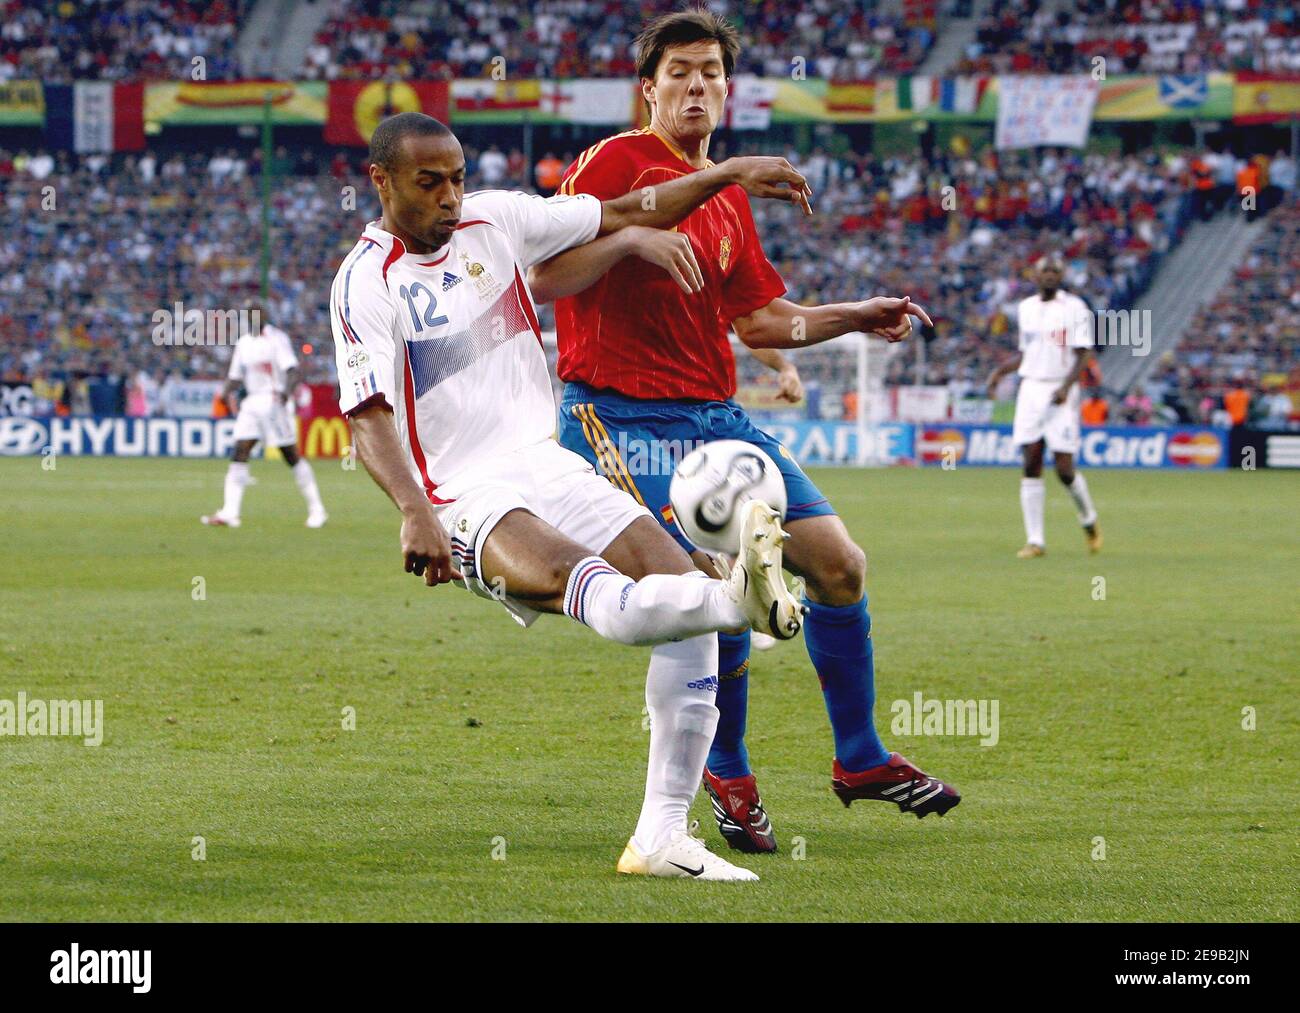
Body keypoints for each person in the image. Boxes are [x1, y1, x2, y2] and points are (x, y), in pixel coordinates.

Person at [330, 111, 814, 880]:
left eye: (456, 178)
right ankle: (743, 601)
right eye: (431, 183)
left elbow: (627, 209)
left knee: (681, 603)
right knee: (621, 608)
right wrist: (416, 511)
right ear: (381, 181)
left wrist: (723, 174)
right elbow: (368, 417)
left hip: (546, 463)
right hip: (465, 496)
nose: (451, 197)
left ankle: (661, 836)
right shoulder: (368, 281)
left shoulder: (497, 218)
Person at [529, 9, 960, 857]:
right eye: (680, 72)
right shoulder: (612, 163)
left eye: (711, 74)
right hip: (618, 417)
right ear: (647, 88)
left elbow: (761, 322)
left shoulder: (725, 200)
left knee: (839, 564)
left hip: (717, 419)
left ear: (728, 89)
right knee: (714, 578)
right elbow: (544, 275)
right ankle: (727, 769)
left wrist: (853, 316)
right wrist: (634, 240)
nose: (696, 86)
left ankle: (860, 757)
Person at [986, 255, 1101, 558]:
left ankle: (1089, 520)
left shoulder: (1074, 308)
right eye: (1044, 271)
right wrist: (999, 373)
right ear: (1035, 276)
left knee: (1064, 469)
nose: (1049, 275)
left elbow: (1084, 352)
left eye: (1055, 271)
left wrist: (1066, 386)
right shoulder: (1026, 309)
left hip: (1060, 389)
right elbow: (1027, 353)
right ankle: (1036, 540)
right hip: (1031, 390)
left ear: (1061, 277)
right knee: (1030, 462)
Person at [201, 306, 327, 529]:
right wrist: (223, 393)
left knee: (290, 454)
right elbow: (235, 376)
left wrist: (285, 394)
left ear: (264, 316)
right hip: (251, 403)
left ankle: (317, 509)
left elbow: (292, 370)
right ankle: (230, 512)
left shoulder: (276, 339)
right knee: (240, 451)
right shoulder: (244, 343)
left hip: (273, 401)